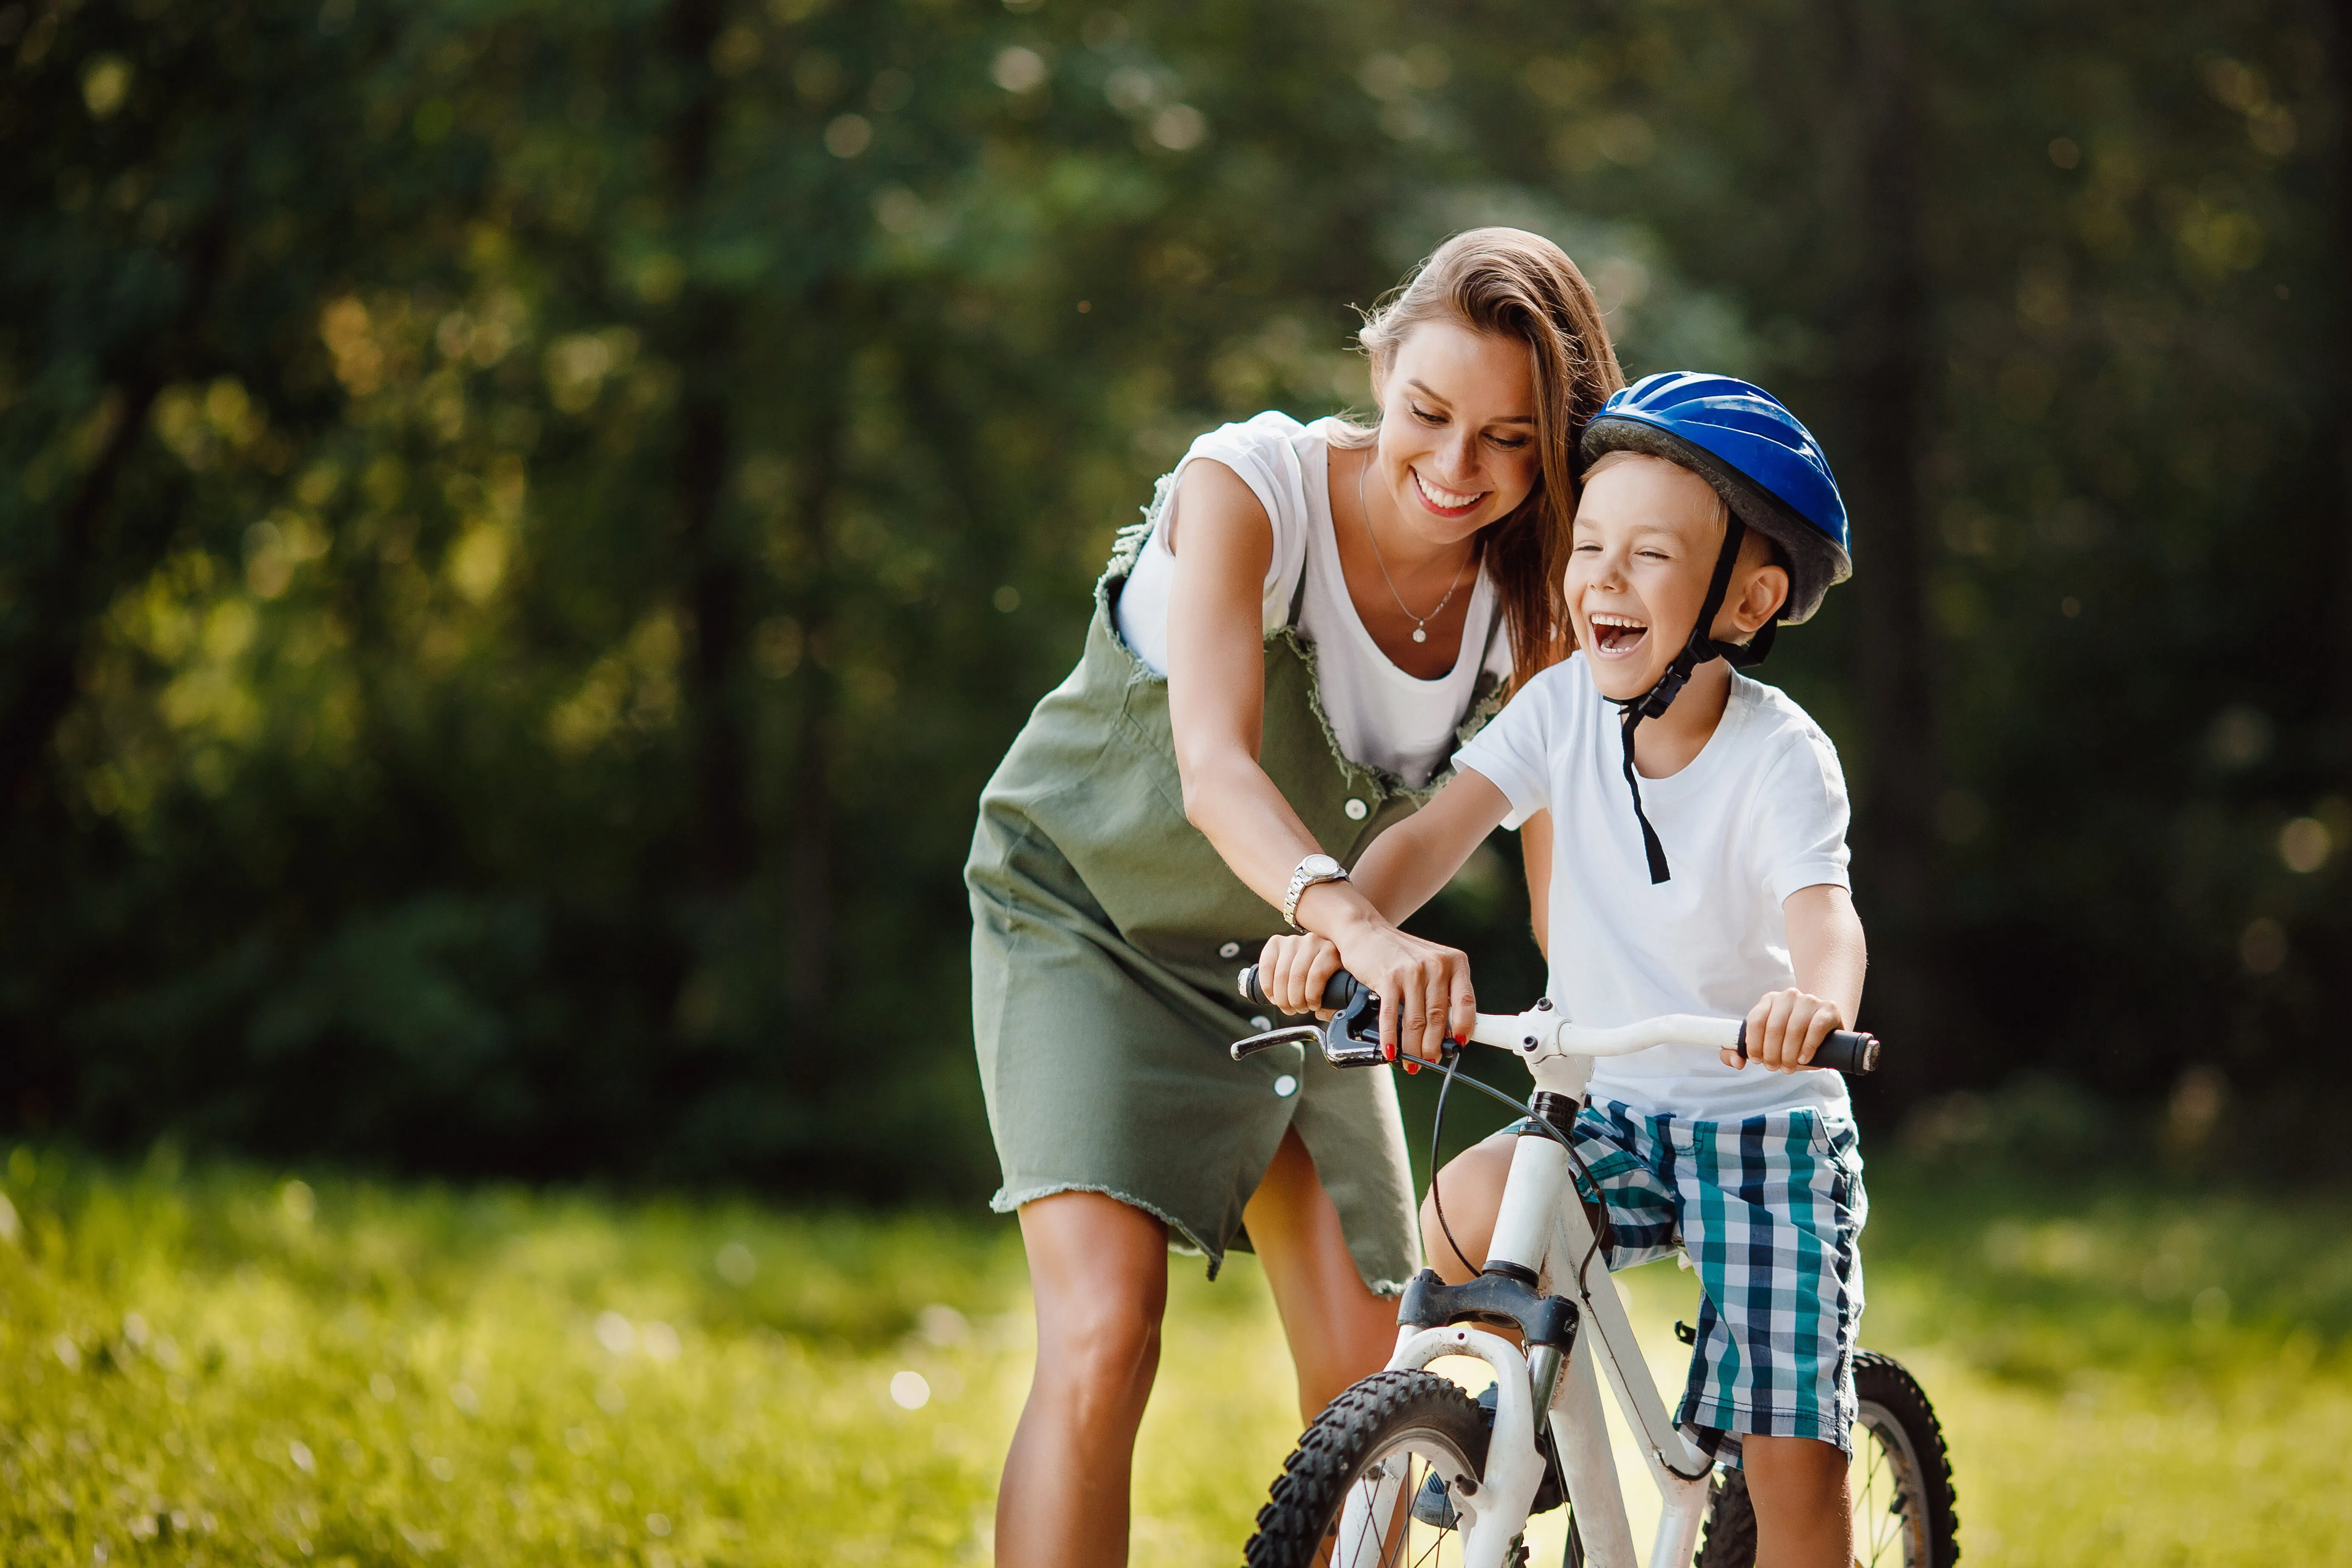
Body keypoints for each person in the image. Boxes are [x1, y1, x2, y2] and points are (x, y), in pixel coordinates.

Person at [966, 228, 1624, 1565]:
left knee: (1373, 1392)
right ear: (1378, 364)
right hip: (1096, 926)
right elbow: (1212, 770)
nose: (1455, 470)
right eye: (1427, 416)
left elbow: (1561, 848)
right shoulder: (1246, 489)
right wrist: (1363, 929)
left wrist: (1595, 1020)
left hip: (1308, 969)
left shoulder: (1534, 588)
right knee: (1105, 1335)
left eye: (1507, 442)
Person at [1256, 372, 1868, 1568]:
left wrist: (1815, 1006)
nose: (1601, 577)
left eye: (1647, 556)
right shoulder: (1557, 713)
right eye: (1589, 545)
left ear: (1745, 603)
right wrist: (1339, 927)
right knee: (1458, 1214)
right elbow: (1429, 836)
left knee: (1791, 1456)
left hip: (1762, 1124)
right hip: (1617, 1106)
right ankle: (1512, 1433)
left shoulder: (1779, 756)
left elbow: (1824, 915)